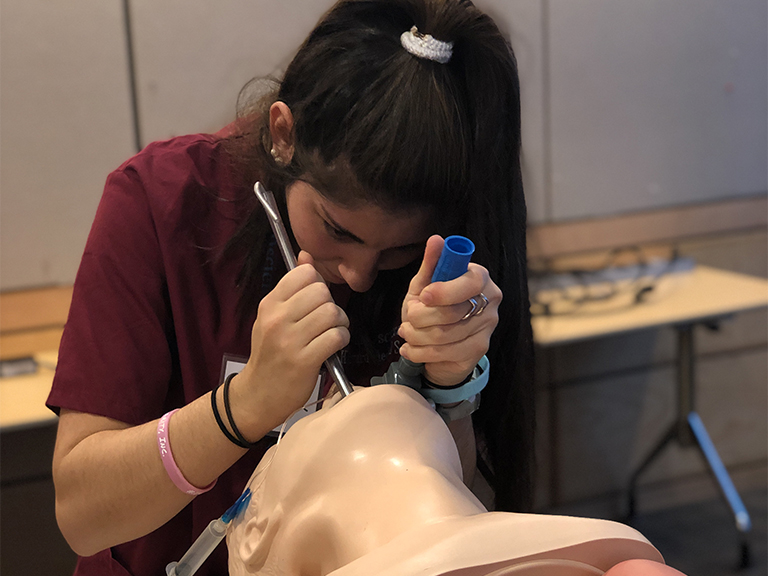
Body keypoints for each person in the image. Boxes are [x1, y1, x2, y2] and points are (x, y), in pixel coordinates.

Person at [47, 0, 533, 574]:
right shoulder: (158, 204)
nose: (358, 275)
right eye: (336, 229)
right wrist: (243, 406)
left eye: (397, 249)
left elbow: (457, 514)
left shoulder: (447, 261)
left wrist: (453, 387)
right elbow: (82, 515)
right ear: (283, 135)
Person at [227, 384, 685, 576]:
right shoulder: (618, 560)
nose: (339, 392)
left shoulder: (621, 563)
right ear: (255, 537)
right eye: (317, 413)